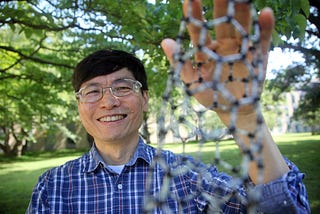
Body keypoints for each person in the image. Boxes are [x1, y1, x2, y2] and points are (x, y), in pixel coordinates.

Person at [26, 0, 310, 213]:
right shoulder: (52, 187)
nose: (109, 101)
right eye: (92, 91)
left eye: (123, 87)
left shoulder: (187, 177)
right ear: (78, 104)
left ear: (145, 98)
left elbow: (277, 209)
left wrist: (246, 116)